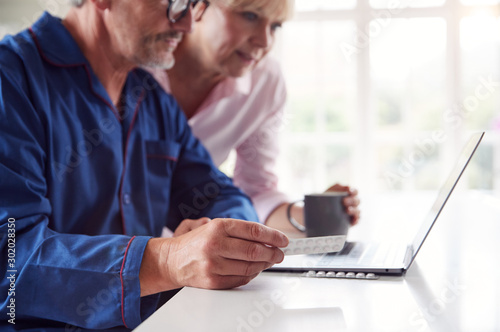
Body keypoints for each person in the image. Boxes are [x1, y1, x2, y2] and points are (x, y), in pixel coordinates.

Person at [0, 0, 289, 329]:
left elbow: (219, 194)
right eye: (175, 4)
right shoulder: (10, 80)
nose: (187, 26)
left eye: (194, 5)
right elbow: (9, 258)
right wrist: (167, 260)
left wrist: (223, 235)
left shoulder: (152, 98)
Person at [149, 0, 361, 234]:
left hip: (185, 249)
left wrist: (313, 215)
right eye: (250, 16)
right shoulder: (139, 62)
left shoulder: (265, 81)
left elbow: (256, 191)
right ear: (199, 7)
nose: (265, 41)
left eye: (275, 26)